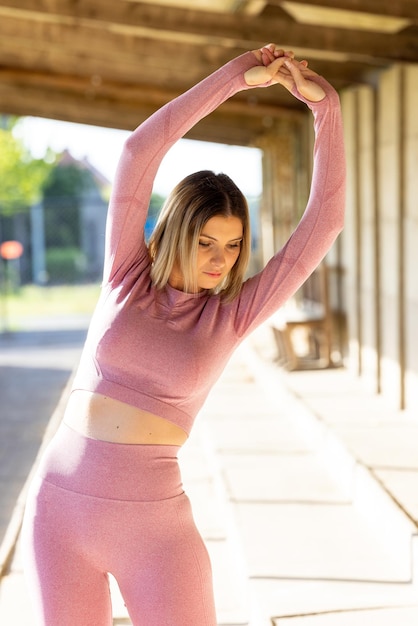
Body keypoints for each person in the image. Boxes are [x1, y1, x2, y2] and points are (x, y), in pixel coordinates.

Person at [21, 43, 345, 626]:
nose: (222, 260)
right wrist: (237, 78)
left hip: (154, 530)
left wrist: (327, 110)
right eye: (206, 242)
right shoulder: (125, 274)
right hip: (60, 513)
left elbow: (324, 218)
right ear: (177, 230)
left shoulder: (232, 314)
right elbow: (139, 149)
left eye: (234, 244)